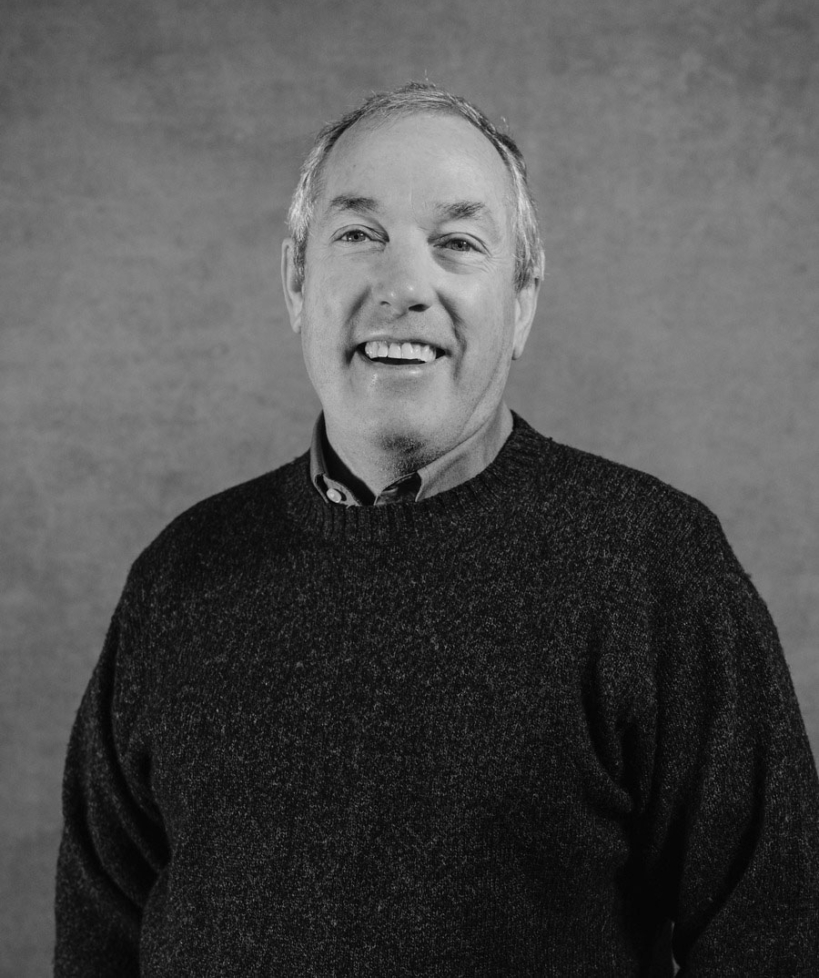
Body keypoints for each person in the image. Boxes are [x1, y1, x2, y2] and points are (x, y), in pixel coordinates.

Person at [55, 81, 819, 977]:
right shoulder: (181, 574)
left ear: (521, 300)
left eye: (456, 243)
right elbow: (98, 944)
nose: (403, 288)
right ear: (296, 281)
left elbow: (775, 938)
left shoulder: (653, 566)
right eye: (358, 235)